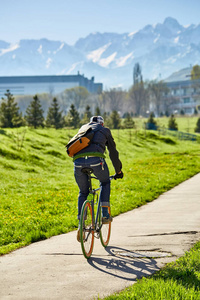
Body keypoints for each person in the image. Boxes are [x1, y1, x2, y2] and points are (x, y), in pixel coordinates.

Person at [73, 115, 123, 242]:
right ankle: (105, 214)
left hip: (78, 163)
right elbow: (113, 152)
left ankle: (81, 224)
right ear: (102, 124)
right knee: (105, 182)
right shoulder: (104, 130)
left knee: (83, 192)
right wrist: (118, 171)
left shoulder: (83, 129)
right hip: (96, 161)